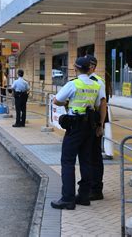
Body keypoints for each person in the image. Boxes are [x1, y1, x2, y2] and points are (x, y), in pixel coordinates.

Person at [50, 57, 106, 210]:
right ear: (90, 69)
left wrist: (66, 102)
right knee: (86, 161)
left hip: (75, 127)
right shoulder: (96, 85)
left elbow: (56, 100)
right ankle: (83, 196)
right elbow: (98, 105)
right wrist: (100, 125)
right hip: (90, 126)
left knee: (67, 161)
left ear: (76, 68)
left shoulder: (73, 84)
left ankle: (68, 198)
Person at [85, 55, 109, 201]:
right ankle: (88, 187)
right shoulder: (82, 81)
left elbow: (103, 104)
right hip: (85, 121)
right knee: (86, 156)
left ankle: (96, 189)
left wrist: (100, 125)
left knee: (94, 156)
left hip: (94, 121)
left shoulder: (97, 81)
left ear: (92, 67)